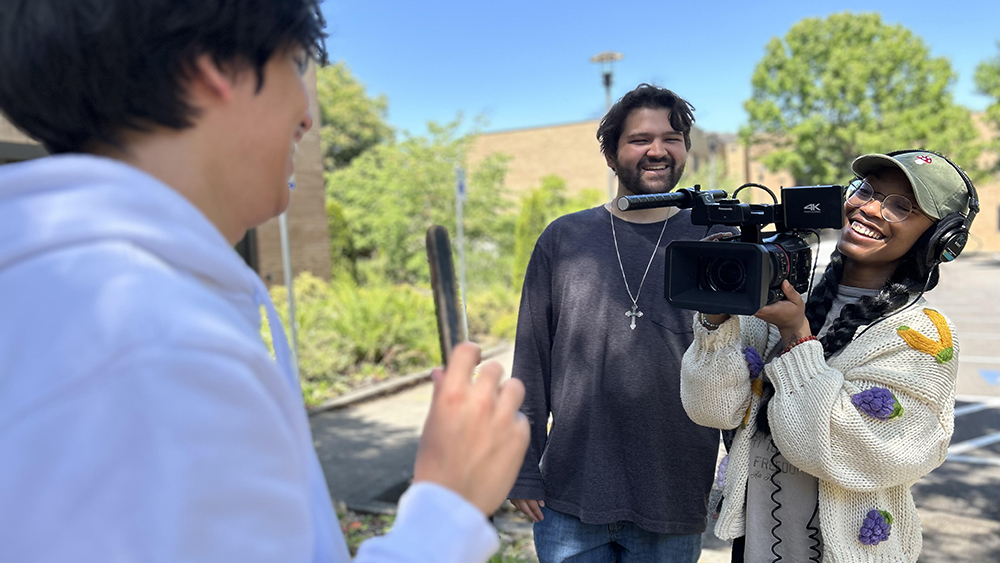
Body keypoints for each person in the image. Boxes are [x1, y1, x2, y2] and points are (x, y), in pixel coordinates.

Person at [0, 1, 529, 562]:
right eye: (296, 62)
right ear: (214, 63)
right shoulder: (157, 347)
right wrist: (448, 507)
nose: (306, 118)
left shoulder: (66, 295)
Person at [680, 150, 977, 562]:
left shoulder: (923, 334)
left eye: (900, 207)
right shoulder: (782, 299)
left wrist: (797, 337)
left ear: (938, 239)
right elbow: (713, 410)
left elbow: (838, 450)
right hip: (755, 547)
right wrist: (716, 317)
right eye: (866, 191)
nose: (868, 208)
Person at [507, 84, 735, 563]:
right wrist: (522, 466)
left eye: (671, 138)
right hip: (571, 495)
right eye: (639, 139)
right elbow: (531, 358)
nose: (657, 150)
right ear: (611, 155)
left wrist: (740, 472)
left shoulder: (717, 242)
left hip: (673, 496)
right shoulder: (564, 239)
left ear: (685, 150)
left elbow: (741, 364)